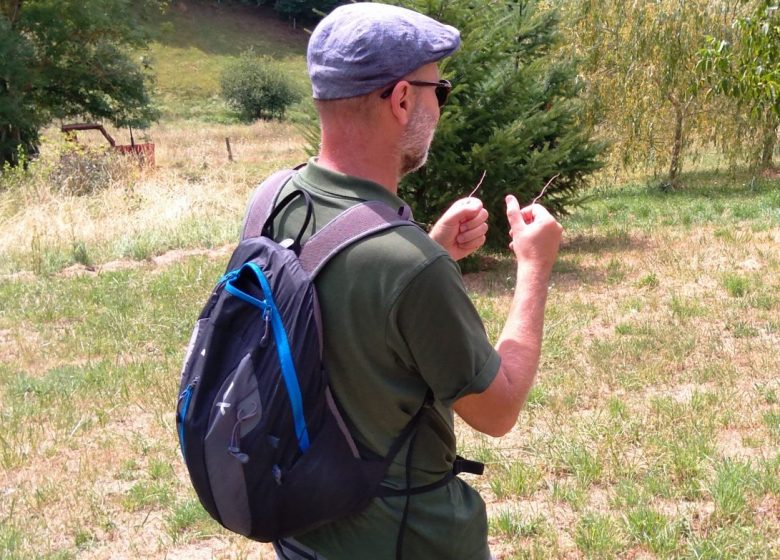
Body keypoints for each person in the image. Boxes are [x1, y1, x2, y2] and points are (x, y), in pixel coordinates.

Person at [271, 4, 563, 559]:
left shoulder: (274, 199)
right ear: (403, 99)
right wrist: (534, 267)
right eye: (439, 90)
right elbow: (497, 411)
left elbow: (336, 323)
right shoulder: (408, 266)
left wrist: (429, 248)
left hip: (302, 527)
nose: (438, 104)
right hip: (408, 541)